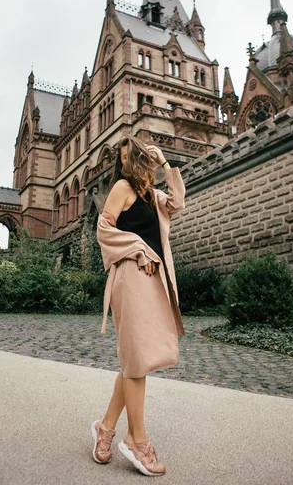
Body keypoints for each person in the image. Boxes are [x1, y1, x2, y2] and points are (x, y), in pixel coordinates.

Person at [91, 136, 186, 477]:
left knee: (136, 359)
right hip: (130, 278)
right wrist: (138, 248)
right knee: (136, 360)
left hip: (152, 281)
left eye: (135, 158)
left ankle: (105, 427)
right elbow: (103, 228)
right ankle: (137, 440)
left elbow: (177, 203)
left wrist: (165, 164)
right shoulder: (121, 188)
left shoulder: (152, 196)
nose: (130, 164)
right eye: (125, 161)